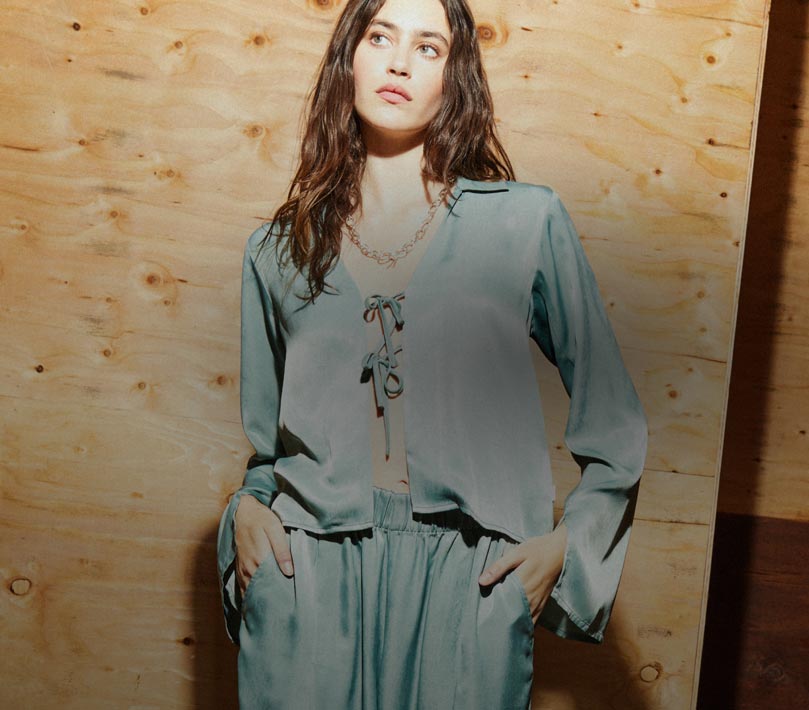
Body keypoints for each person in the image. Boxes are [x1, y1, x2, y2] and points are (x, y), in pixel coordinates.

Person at [214, 0, 648, 707]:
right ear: (348, 59)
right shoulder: (276, 253)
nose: (398, 62)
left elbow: (615, 422)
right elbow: (268, 451)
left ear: (455, 76)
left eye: (428, 47)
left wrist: (568, 544)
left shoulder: (524, 223)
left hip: (470, 581)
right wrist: (247, 514)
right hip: (309, 577)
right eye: (379, 36)